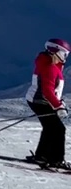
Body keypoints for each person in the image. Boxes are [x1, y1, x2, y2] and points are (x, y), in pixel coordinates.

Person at [25, 38, 70, 168]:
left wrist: (58, 102)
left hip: (40, 101)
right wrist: (58, 106)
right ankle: (56, 160)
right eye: (64, 53)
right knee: (58, 129)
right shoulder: (49, 67)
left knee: (51, 128)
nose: (65, 57)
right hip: (41, 101)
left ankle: (42, 156)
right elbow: (47, 91)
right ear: (55, 50)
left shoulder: (50, 64)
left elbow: (51, 90)